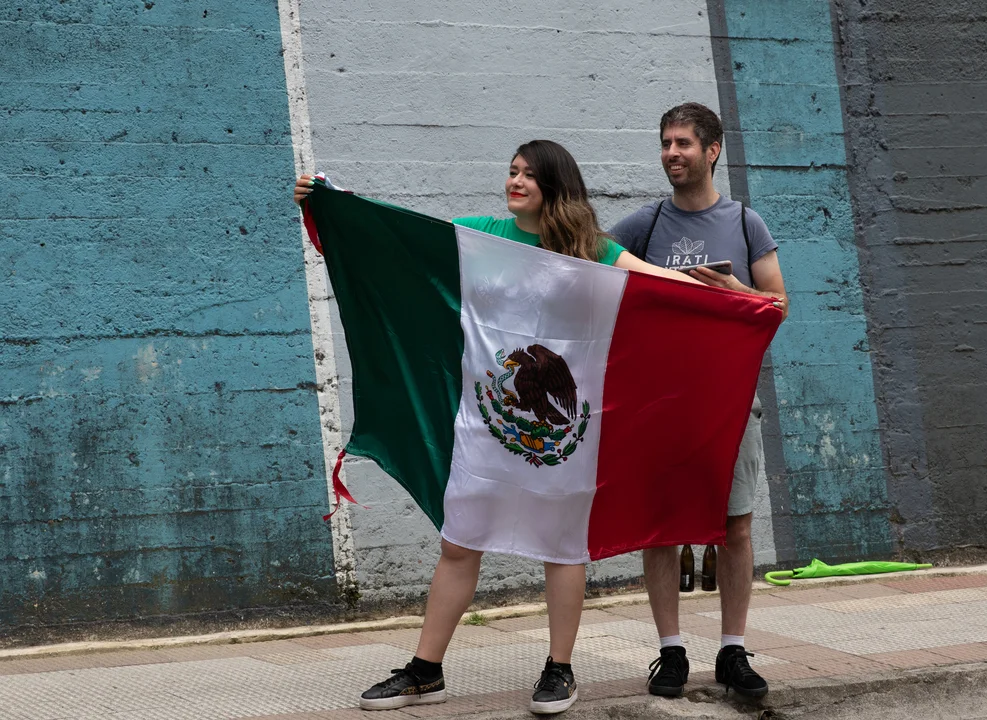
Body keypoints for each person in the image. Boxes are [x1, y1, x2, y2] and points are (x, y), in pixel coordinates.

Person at [294, 139, 723, 714]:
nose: (514, 181)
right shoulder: (481, 235)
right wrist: (334, 202)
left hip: (566, 436)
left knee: (562, 546)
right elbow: (399, 240)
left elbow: (659, 285)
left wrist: (742, 301)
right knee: (459, 542)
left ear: (555, 185)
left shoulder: (591, 249)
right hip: (486, 422)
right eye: (512, 171)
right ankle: (425, 671)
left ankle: (560, 671)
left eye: (528, 175)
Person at [609, 103, 789, 700]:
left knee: (735, 525)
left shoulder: (745, 223)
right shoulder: (643, 225)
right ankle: (671, 652)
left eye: (683, 143)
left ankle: (733, 651)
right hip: (660, 405)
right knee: (660, 527)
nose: (671, 153)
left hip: (731, 403)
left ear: (712, 150)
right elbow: (593, 269)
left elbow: (778, 307)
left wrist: (736, 290)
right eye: (665, 143)